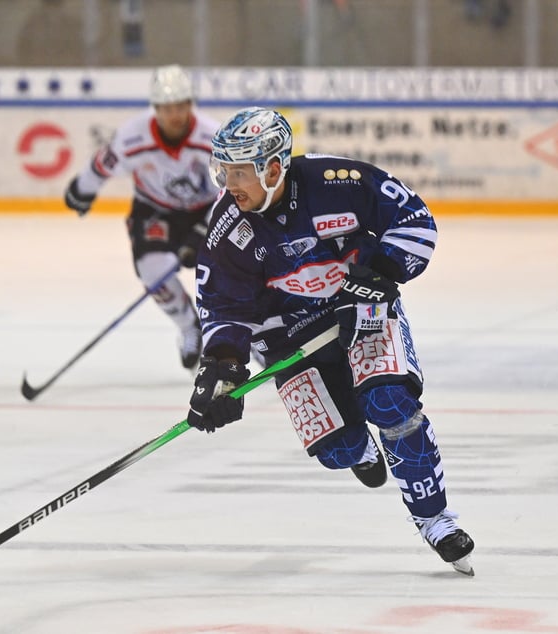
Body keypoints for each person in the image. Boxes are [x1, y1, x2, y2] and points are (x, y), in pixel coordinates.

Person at [186, 107, 476, 576]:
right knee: (337, 450)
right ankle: (358, 448)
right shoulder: (228, 231)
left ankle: (436, 520)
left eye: (239, 171)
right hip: (287, 336)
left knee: (390, 402)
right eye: (224, 170)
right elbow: (223, 309)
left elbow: (416, 220)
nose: (228, 182)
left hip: (360, 309)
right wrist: (219, 371)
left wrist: (377, 277)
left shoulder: (337, 181)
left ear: (273, 168)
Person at [63, 65, 220, 370]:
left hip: (206, 210)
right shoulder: (133, 136)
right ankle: (190, 326)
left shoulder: (211, 136)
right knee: (152, 270)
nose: (174, 115)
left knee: (230, 272)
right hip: (155, 209)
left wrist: (205, 228)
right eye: (166, 108)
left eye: (181, 106)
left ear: (191, 105)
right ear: (155, 109)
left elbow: (234, 189)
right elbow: (103, 164)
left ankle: (241, 336)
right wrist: (82, 191)